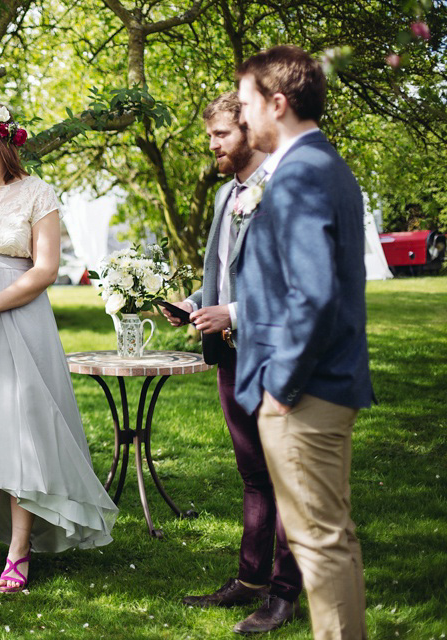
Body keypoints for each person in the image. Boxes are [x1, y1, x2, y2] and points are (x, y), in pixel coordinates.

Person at [0, 98, 118, 595]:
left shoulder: (37, 192)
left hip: (19, 318)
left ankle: (19, 551)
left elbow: (45, 269)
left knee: (22, 429)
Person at [235, 45, 372, 640]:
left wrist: (280, 388)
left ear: (278, 103)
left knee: (319, 544)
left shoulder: (302, 173)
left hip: (305, 393)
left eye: (247, 105)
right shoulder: (323, 164)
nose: (243, 119)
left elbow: (313, 294)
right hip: (320, 387)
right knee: (331, 539)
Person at [163, 92, 303, 634]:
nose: (213, 145)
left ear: (249, 131)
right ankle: (250, 579)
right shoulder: (227, 196)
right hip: (232, 357)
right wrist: (198, 305)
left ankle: (285, 594)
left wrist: (236, 313)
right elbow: (222, 272)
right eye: (211, 137)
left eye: (221, 135)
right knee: (253, 474)